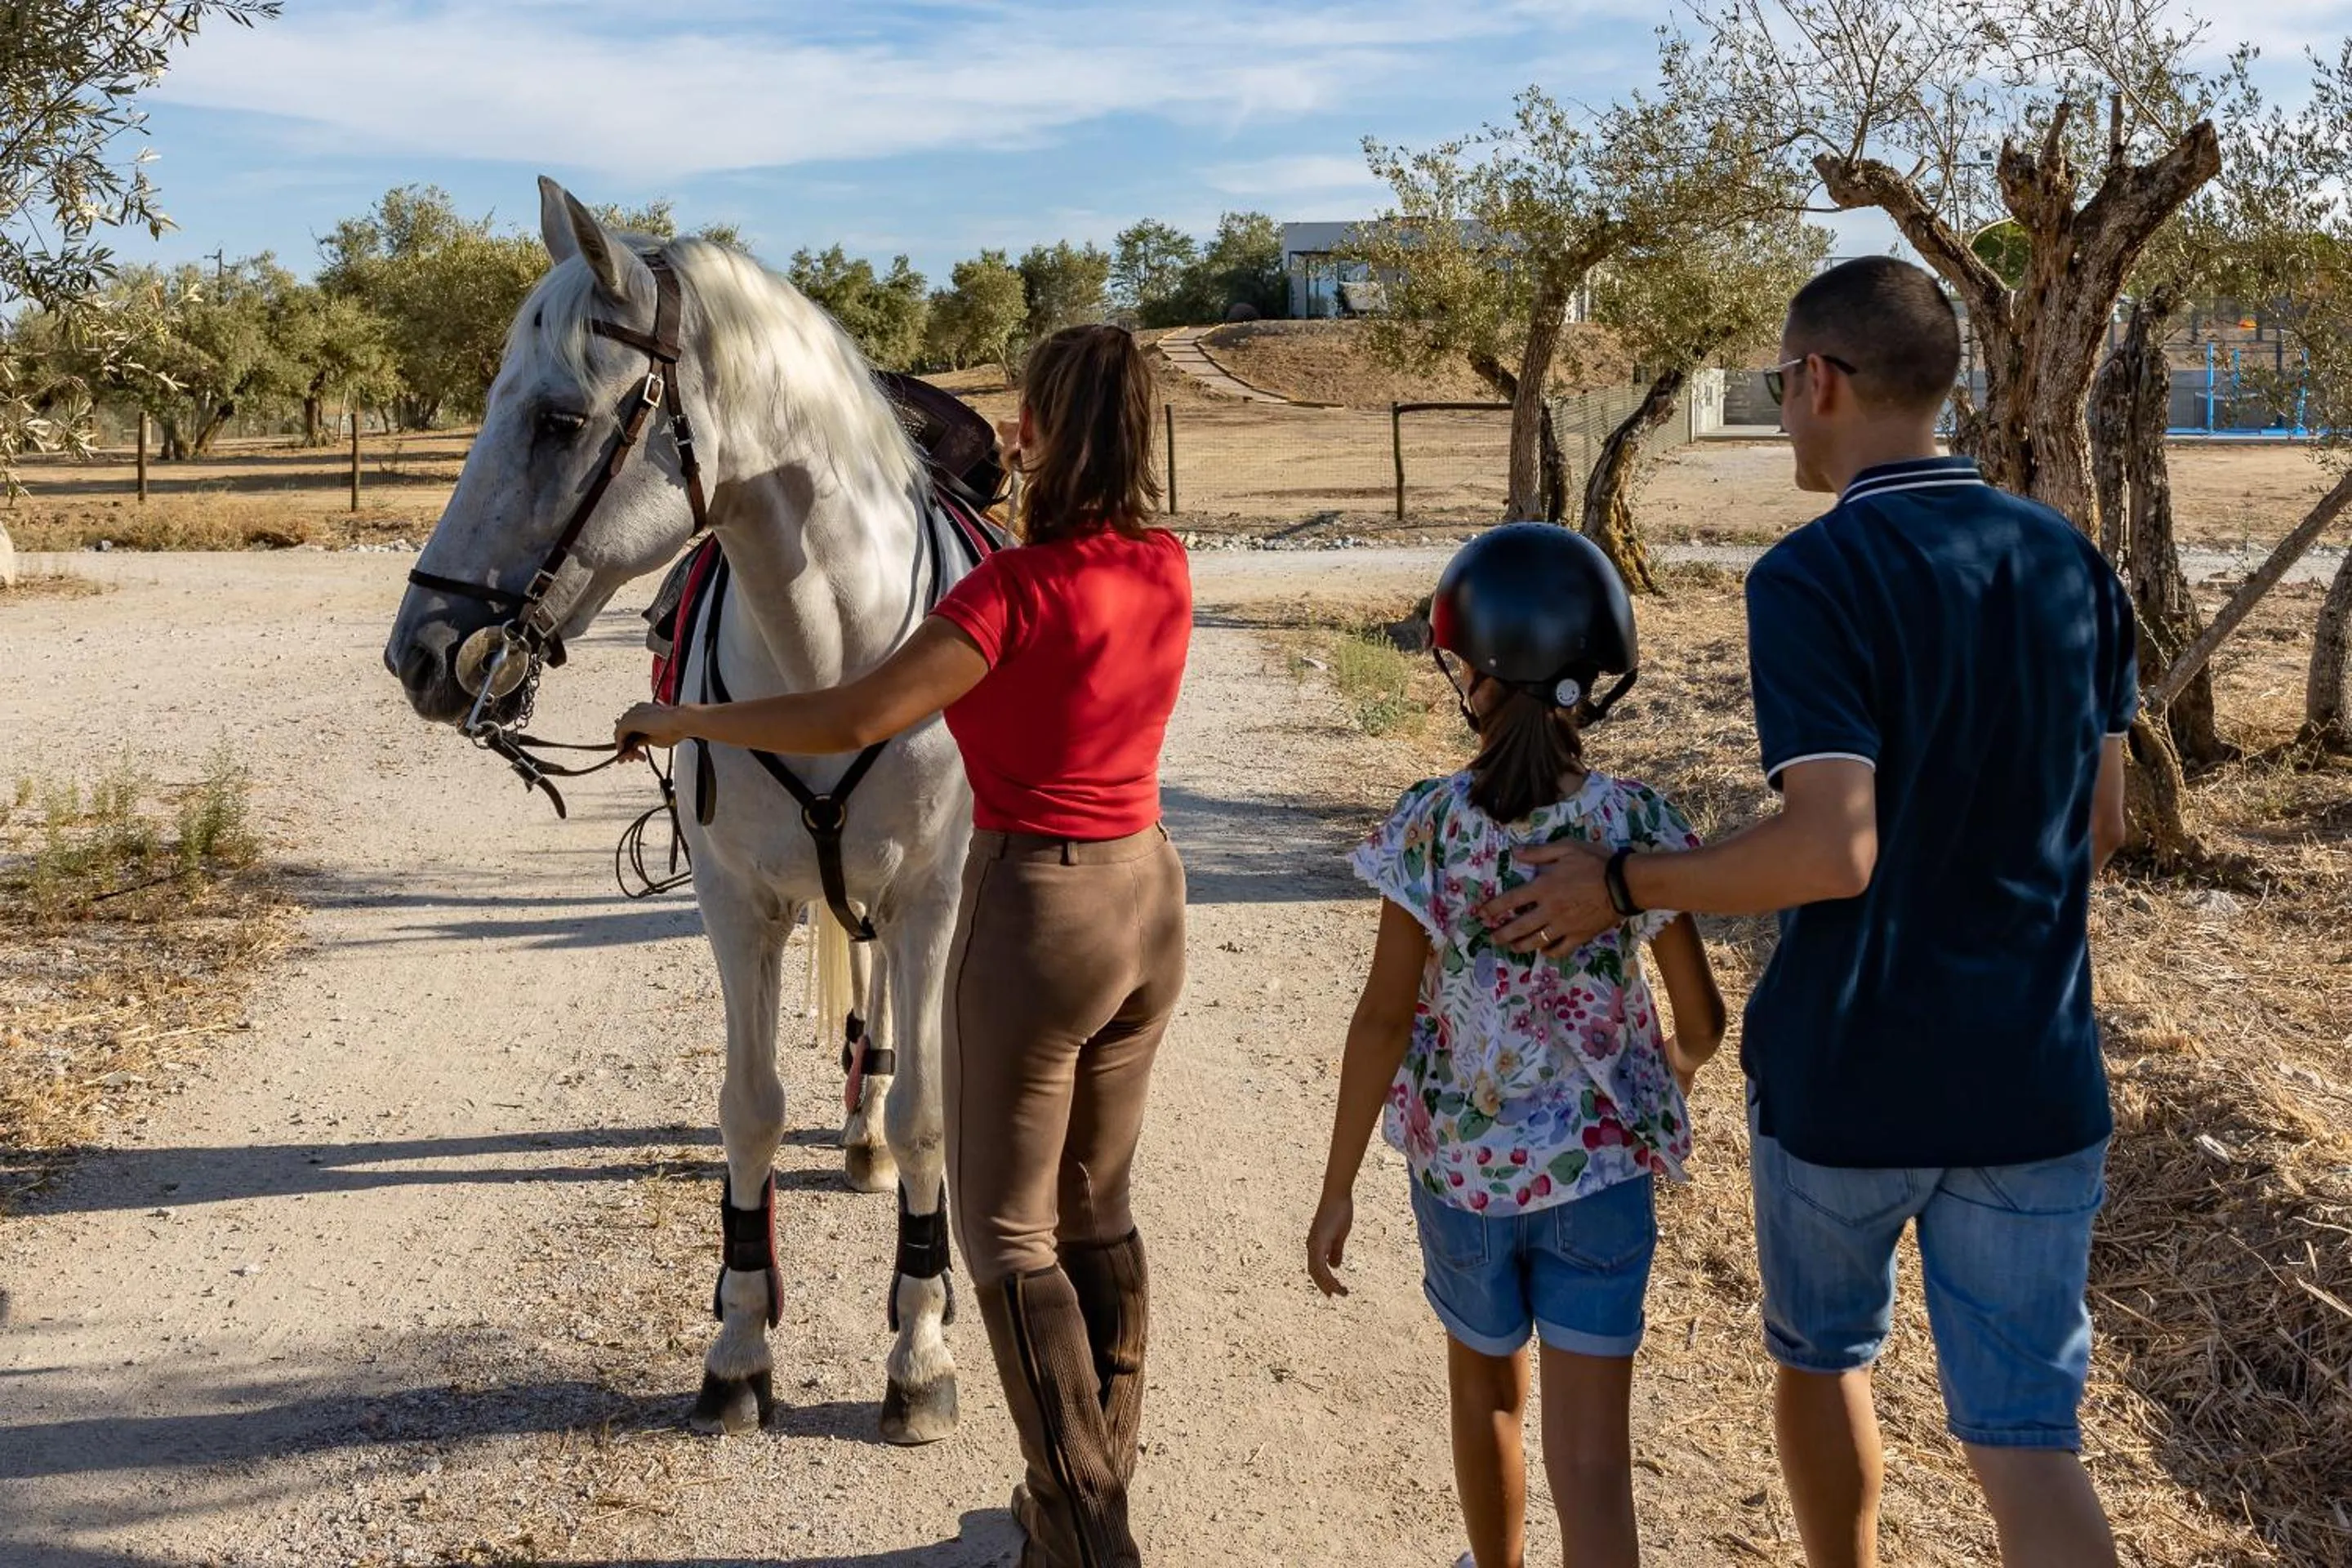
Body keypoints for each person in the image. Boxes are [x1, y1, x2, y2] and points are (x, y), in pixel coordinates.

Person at [1478, 257, 2135, 1568]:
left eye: (1783, 385)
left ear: (1821, 382)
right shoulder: (2071, 560)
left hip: (1851, 1075)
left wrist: (1621, 884)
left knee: (1825, 1356)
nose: (1784, 410)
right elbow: (2101, 828)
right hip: (2037, 1076)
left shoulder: (1813, 579)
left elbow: (1832, 850)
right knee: (2024, 1445)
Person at [617, 323, 1191, 1568]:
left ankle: (1086, 1533)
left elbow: (853, 711)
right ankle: (1085, 1495)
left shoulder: (1005, 595)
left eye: (1025, 415)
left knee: (1004, 1241)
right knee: (1096, 1213)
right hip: (1151, 902)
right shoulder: (1165, 562)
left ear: (1039, 434)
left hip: (1040, 910)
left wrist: (685, 714)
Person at [1305, 524, 1727, 1568]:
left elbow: (1382, 1020)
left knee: (1486, 1392)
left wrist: (1339, 1184)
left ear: (1473, 675)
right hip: (1600, 1187)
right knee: (1593, 1465)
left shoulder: (1430, 827)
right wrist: (1665, 1077)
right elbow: (1705, 1023)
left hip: (1464, 1187)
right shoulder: (1642, 829)